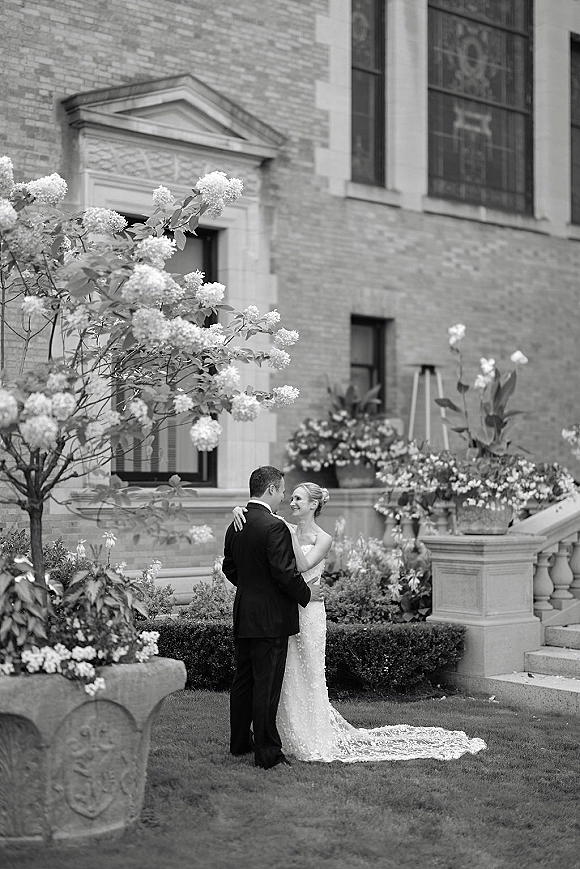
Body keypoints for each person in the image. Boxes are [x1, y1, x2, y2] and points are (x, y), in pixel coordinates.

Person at [232, 481, 487, 763]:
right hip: (282, 609)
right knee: (285, 674)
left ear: (314, 505)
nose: (291, 502)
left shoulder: (320, 537)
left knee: (309, 673)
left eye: (298, 499)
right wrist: (245, 513)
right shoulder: (277, 527)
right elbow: (263, 543)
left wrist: (284, 529)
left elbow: (303, 565)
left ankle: (310, 735)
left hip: (309, 611)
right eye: (289, 496)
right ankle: (279, 732)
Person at [222, 465, 323, 770]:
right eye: (281, 490)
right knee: (265, 687)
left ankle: (240, 743)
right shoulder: (274, 526)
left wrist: (253, 588)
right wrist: (307, 596)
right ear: (270, 490)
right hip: (270, 619)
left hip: (245, 612)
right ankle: (267, 753)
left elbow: (230, 568)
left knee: (243, 682)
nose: (283, 497)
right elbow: (283, 574)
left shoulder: (236, 523)